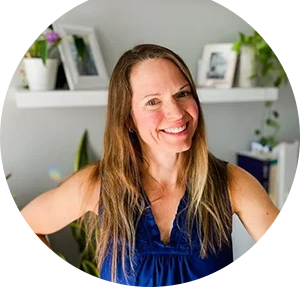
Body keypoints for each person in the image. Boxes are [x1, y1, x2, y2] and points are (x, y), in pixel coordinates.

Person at [20, 44, 296, 287]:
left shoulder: (230, 182)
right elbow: (22, 228)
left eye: (182, 94)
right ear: (128, 118)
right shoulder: (99, 184)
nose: (176, 113)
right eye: (153, 102)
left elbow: (289, 248)